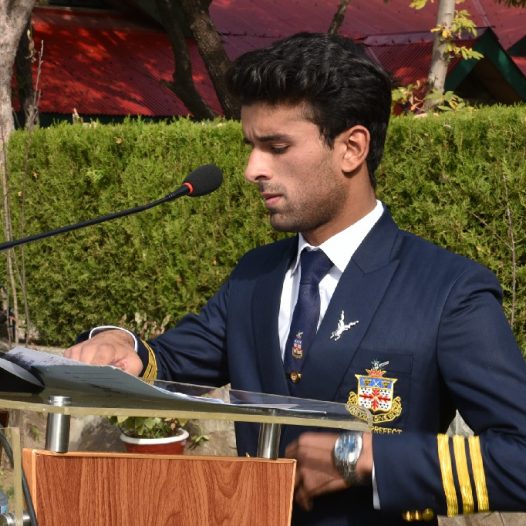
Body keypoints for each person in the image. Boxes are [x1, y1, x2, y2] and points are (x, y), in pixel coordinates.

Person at [66, 32, 526, 525]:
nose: (252, 169)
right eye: (251, 146)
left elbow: (520, 457)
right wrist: (120, 343)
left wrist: (367, 457)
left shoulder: (448, 289)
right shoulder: (255, 276)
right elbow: (169, 361)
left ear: (352, 148)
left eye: (277, 146)